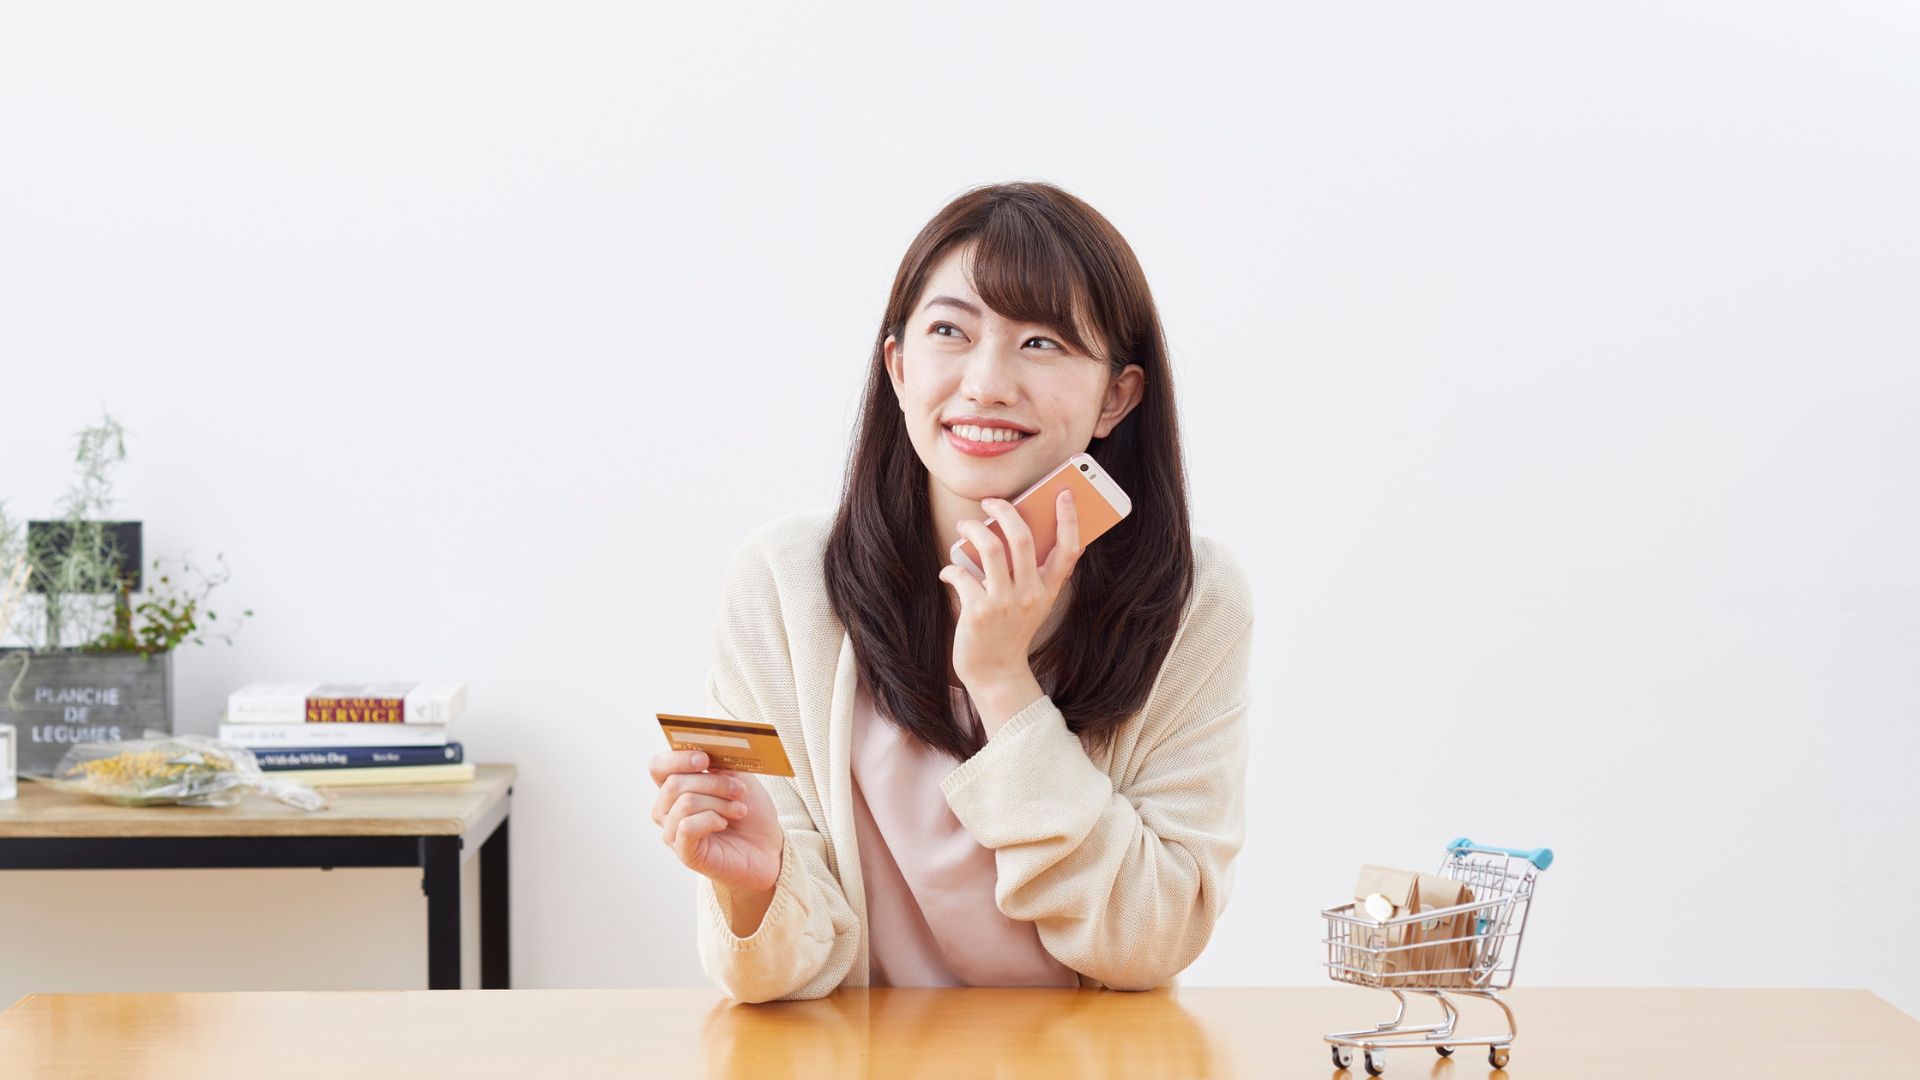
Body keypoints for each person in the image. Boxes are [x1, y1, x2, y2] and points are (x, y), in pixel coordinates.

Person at [647, 180, 1254, 1003]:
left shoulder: (1194, 601)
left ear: (1118, 395)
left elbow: (1152, 937)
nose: (986, 383)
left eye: (1041, 343)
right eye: (949, 333)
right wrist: (760, 885)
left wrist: (1002, 680)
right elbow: (781, 976)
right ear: (898, 368)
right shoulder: (786, 586)